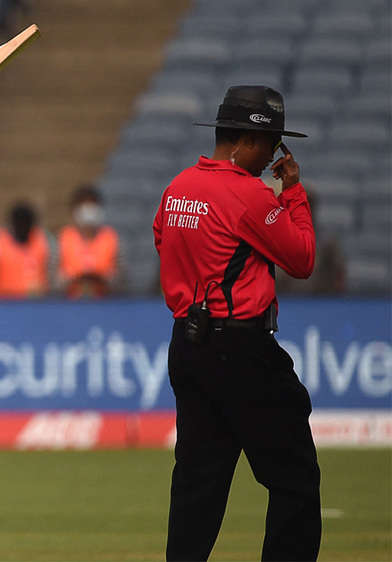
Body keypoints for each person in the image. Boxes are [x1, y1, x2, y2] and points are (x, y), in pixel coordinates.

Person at [153, 85, 320, 561]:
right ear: (248, 140)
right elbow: (303, 258)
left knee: (197, 487)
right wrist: (292, 192)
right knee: (295, 479)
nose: (272, 155)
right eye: (271, 144)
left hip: (186, 344)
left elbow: (164, 242)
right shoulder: (248, 195)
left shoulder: (177, 188)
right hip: (241, 350)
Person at [0, 201, 55, 298]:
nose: (22, 228)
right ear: (12, 223)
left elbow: (53, 272)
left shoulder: (45, 240)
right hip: (4, 304)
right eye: (19, 223)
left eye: (26, 224)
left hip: (37, 305)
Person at [55, 184, 119, 298]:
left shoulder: (110, 237)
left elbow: (121, 280)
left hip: (105, 303)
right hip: (70, 303)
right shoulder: (64, 238)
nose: (89, 212)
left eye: (93, 206)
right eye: (84, 207)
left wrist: (100, 280)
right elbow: (54, 281)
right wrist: (75, 280)